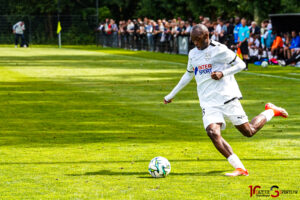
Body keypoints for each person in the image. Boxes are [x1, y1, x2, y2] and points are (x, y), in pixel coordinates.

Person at [164, 24, 288, 177]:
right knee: (212, 132)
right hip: (208, 102)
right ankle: (240, 168)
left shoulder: (219, 49)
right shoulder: (193, 54)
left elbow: (241, 64)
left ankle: (271, 111)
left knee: (249, 131)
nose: (195, 43)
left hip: (227, 97)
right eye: (193, 40)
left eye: (197, 40)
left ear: (206, 37)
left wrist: (223, 72)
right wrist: (171, 95)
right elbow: (188, 74)